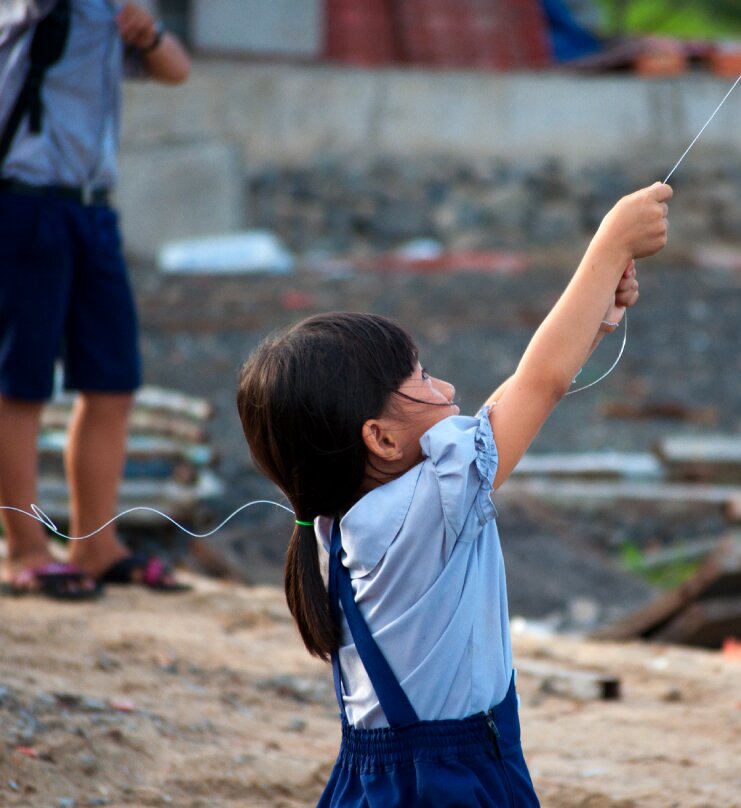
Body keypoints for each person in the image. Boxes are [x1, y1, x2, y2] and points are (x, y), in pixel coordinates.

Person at [236, 180, 672, 805]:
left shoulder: (337, 521)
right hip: (453, 779)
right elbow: (537, 385)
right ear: (381, 439)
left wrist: (597, 316)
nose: (444, 385)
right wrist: (608, 245)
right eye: (419, 378)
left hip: (369, 780)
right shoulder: (434, 504)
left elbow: (504, 406)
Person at [0, 1, 190, 599]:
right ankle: (25, 548)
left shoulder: (112, 11)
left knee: (112, 382)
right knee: (19, 384)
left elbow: (176, 68)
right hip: (24, 202)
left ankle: (95, 544)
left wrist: (148, 30)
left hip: (93, 208)